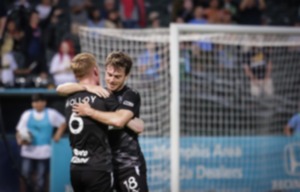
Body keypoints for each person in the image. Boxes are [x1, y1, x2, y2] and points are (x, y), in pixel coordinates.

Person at [57, 51, 149, 192]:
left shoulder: (130, 95)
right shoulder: (99, 93)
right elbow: (60, 89)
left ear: (126, 76)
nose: (111, 80)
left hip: (127, 164)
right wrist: (87, 87)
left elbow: (120, 121)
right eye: (109, 75)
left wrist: (90, 112)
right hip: (105, 166)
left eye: (117, 76)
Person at [16, 93, 66, 192]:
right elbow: (19, 130)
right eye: (35, 102)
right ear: (32, 104)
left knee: (41, 176)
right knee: (25, 175)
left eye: (40, 101)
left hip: (44, 152)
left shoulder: (52, 113)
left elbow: (63, 123)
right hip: (28, 151)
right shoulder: (27, 114)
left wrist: (58, 135)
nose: (38, 104)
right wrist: (20, 140)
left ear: (44, 102)